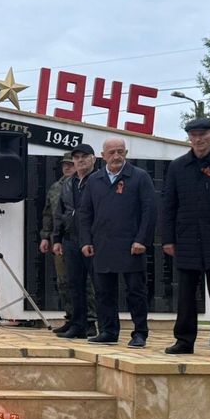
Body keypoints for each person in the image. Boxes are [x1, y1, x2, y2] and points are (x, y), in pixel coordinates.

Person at [79, 137, 157, 347]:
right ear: (102, 156)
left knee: (136, 292)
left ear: (126, 153)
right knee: (104, 292)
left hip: (131, 245)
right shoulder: (94, 180)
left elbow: (149, 211)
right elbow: (85, 213)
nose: (116, 156)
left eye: (120, 151)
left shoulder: (139, 177)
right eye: (111, 152)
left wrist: (142, 239)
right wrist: (86, 240)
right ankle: (108, 331)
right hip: (102, 244)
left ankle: (140, 333)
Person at [162, 117, 210, 358]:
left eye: (203, 134)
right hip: (187, 239)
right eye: (194, 135)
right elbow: (169, 206)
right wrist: (168, 239)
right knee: (186, 295)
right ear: (189, 137)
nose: (198, 139)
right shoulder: (178, 167)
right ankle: (184, 340)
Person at [52, 143, 97, 339]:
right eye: (76, 158)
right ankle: (77, 324)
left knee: (95, 285)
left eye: (84, 157)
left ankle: (94, 324)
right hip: (70, 239)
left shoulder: (99, 181)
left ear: (93, 159)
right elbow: (60, 212)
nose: (80, 161)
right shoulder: (68, 184)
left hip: (93, 240)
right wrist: (57, 238)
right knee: (74, 284)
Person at [39, 153, 77, 332]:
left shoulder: (85, 184)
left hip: (79, 239)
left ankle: (89, 320)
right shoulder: (55, 188)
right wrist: (45, 236)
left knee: (84, 283)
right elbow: (48, 214)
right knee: (63, 281)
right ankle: (71, 318)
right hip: (58, 240)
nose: (67, 167)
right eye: (64, 165)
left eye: (70, 164)